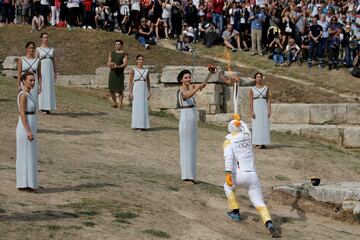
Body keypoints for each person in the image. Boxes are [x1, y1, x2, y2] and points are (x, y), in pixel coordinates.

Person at [222, 115, 281, 238]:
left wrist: (228, 172)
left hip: (238, 175)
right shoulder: (247, 136)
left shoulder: (228, 141)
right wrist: (240, 120)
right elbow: (245, 127)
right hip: (253, 176)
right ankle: (269, 223)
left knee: (227, 187)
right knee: (259, 202)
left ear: (229, 130)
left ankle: (235, 212)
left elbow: (229, 158)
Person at [178, 69, 206, 184]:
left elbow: (191, 94)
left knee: (192, 148)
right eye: (186, 78)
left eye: (189, 77)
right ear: (181, 80)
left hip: (192, 120)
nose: (188, 79)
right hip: (185, 120)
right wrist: (197, 88)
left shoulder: (189, 89)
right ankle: (186, 176)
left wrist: (199, 87)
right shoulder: (181, 90)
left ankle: (191, 176)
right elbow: (186, 96)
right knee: (186, 147)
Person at [16, 72, 39, 191]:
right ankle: (23, 183)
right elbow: (22, 114)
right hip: (25, 128)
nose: (33, 82)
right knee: (24, 155)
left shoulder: (30, 94)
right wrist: (28, 131)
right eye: (30, 80)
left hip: (31, 126)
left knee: (30, 155)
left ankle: (29, 182)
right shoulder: (23, 95)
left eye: (34, 80)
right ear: (24, 81)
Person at [128, 55, 151, 130]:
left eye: (142, 60)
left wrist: (149, 91)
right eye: (139, 59)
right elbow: (130, 81)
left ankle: (143, 125)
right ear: (137, 60)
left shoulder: (146, 70)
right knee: (136, 107)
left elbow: (148, 82)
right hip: (136, 89)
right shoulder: (133, 69)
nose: (141, 61)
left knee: (143, 107)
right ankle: (136, 125)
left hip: (143, 89)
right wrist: (130, 92)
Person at [249, 72, 271, 149]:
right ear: (255, 78)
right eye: (257, 77)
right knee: (256, 126)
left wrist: (269, 110)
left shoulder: (266, 88)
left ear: (262, 78)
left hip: (263, 108)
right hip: (256, 108)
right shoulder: (252, 89)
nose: (259, 78)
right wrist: (251, 111)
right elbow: (251, 101)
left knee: (264, 125)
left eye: (260, 77)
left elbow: (268, 100)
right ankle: (257, 142)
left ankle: (263, 143)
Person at [36, 32, 56, 114]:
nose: (46, 39)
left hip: (50, 70)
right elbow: (36, 60)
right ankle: (42, 107)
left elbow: (54, 61)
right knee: (42, 86)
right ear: (41, 39)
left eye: (47, 37)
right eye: (44, 37)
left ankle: (48, 107)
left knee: (49, 87)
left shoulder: (51, 50)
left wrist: (55, 72)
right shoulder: (38, 49)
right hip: (42, 69)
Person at [107, 39, 128, 108]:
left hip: (120, 74)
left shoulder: (124, 54)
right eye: (116, 44)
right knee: (111, 89)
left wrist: (117, 66)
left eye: (118, 44)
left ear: (121, 45)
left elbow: (125, 64)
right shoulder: (112, 53)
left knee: (120, 89)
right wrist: (110, 64)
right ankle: (115, 103)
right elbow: (108, 62)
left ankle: (120, 104)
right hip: (112, 73)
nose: (117, 45)